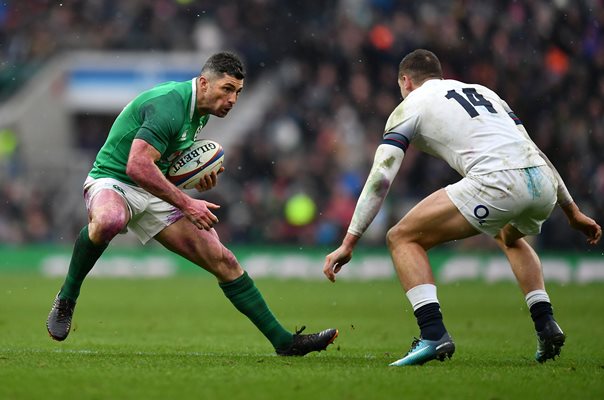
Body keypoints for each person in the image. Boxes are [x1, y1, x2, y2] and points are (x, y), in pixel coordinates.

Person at [47, 52, 338, 356]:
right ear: (203, 83)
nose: (233, 99)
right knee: (109, 221)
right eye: (226, 89)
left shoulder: (200, 110)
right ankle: (67, 296)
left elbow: (163, 164)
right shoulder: (170, 104)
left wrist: (192, 180)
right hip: (114, 179)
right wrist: (188, 203)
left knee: (223, 260)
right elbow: (136, 165)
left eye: (238, 92)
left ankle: (284, 342)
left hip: (152, 189)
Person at [323, 49, 601, 366]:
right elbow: (533, 150)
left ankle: (433, 334)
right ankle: (545, 321)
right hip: (541, 183)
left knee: (401, 237)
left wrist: (349, 242)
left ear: (405, 80)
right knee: (509, 237)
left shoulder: (410, 105)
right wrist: (572, 211)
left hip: (496, 181)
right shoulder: (485, 93)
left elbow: (380, 178)